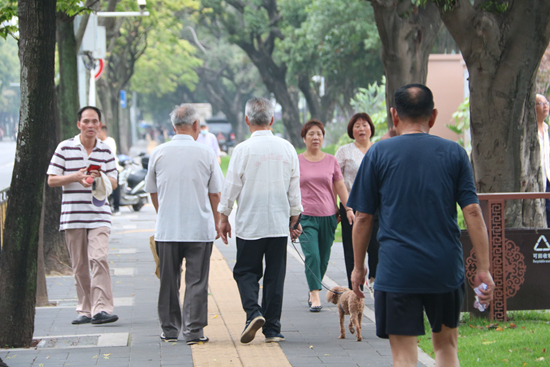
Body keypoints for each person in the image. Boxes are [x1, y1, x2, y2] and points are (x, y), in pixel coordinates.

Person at [349, 84, 495, 367]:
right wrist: (484, 268)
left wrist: (358, 267)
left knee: (403, 356)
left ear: (394, 115)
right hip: (444, 269)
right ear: (434, 116)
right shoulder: (454, 153)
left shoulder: (378, 154)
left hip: (396, 271)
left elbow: (363, 217)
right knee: (446, 349)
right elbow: (473, 212)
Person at [218, 97, 303, 344]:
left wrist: (223, 217)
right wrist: (295, 217)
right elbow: (294, 188)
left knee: (245, 271)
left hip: (250, 225)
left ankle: (253, 312)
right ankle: (273, 329)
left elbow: (231, 186)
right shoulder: (287, 148)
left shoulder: (242, 150)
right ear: (272, 120)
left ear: (247, 120)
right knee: (275, 275)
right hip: (277, 224)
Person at [145, 104, 224, 345]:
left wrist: (164, 214)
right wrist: (218, 221)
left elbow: (153, 191)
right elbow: (215, 194)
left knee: (169, 281)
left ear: (172, 127)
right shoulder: (206, 153)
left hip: (167, 230)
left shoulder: (158, 152)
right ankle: (194, 332)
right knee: (197, 281)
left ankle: (169, 330)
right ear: (196, 126)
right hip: (199, 229)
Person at [47, 106, 119, 325]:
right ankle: (85, 309)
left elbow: (114, 183)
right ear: (79, 124)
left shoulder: (105, 150)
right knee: (79, 265)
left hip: (99, 214)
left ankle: (102, 309)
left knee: (99, 258)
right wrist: (74, 177)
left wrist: (100, 177)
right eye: (86, 121)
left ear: (99, 125)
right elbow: (51, 179)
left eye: (94, 121)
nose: (90, 125)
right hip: (73, 216)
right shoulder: (65, 147)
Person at [298, 119, 355, 312]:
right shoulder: (296, 161)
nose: (315, 137)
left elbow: (340, 186)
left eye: (319, 134)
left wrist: (348, 209)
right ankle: (315, 294)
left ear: (323, 137)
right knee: (312, 254)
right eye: (311, 134)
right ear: (304, 138)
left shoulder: (331, 160)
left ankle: (313, 286)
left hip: (329, 217)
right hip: (306, 217)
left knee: (323, 258)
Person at [335, 113, 379, 290]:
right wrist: (342, 207)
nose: (361, 129)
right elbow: (336, 180)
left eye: (365, 125)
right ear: (351, 130)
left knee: (377, 245)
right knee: (351, 249)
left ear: (371, 128)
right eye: (357, 126)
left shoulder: (379, 148)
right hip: (351, 205)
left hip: (376, 206)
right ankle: (354, 288)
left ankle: (375, 279)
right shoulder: (344, 151)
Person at [97, 125, 121, 214]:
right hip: (101, 169)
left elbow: (110, 154)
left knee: (115, 188)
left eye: (99, 132)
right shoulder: (97, 142)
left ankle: (117, 207)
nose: (97, 134)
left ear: (104, 132)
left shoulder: (109, 141)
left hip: (113, 167)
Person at [536, 94, 550, 226]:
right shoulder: (530, 131)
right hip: (536, 179)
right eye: (541, 103)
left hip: (548, 177)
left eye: (547, 103)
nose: (546, 106)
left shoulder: (546, 128)